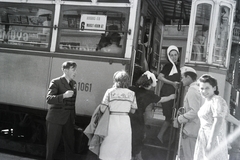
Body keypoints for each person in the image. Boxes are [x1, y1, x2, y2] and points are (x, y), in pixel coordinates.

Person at [129, 71, 176, 160]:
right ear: (150, 84)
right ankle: (136, 155)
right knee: (138, 137)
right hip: (138, 118)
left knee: (129, 136)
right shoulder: (149, 94)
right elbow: (161, 99)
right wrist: (171, 96)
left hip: (128, 116)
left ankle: (131, 155)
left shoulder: (132, 89)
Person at [193, 74, 240, 160]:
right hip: (204, 136)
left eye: (207, 88)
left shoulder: (216, 100)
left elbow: (218, 121)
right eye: (202, 88)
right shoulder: (207, 101)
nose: (204, 91)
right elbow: (226, 115)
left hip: (213, 137)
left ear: (214, 88)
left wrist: (210, 143)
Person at [98, 70, 137, 160]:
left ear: (115, 80)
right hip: (125, 121)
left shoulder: (109, 91)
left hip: (112, 120)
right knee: (123, 146)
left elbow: (102, 108)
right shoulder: (132, 94)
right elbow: (133, 110)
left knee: (109, 145)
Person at [45, 61, 77, 160]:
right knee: (52, 146)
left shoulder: (73, 83)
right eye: (73, 69)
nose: (75, 72)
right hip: (56, 119)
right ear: (65, 70)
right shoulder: (56, 82)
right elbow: (49, 99)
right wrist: (63, 96)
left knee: (70, 146)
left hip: (68, 119)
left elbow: (72, 103)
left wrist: (73, 119)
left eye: (75, 69)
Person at [177, 66, 204, 160]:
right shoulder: (199, 88)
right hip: (196, 129)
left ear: (188, 77)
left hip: (190, 131)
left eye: (182, 77)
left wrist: (180, 118)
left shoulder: (192, 90)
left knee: (189, 157)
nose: (181, 80)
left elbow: (194, 111)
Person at [157, 45, 181, 143]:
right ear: (168, 56)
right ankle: (160, 136)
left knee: (171, 116)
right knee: (169, 117)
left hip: (172, 93)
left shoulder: (176, 66)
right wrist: (172, 83)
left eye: (175, 55)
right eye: (171, 55)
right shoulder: (169, 65)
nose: (174, 57)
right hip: (167, 92)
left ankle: (165, 137)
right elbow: (160, 77)